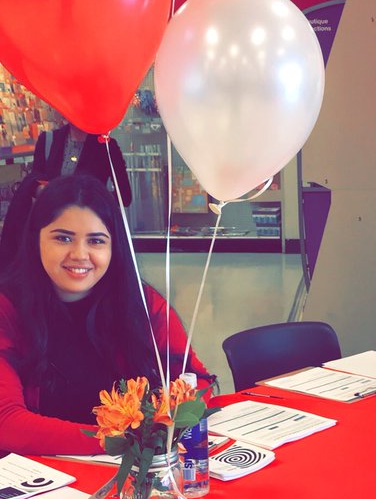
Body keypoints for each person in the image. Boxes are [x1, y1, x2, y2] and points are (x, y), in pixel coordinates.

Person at [0, 175, 215, 457]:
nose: (80, 254)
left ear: (114, 247)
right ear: (35, 239)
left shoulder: (143, 304)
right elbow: (7, 423)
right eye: (63, 238)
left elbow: (196, 383)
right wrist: (126, 440)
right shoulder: (7, 309)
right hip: (44, 474)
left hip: (134, 470)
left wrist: (165, 425)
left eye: (96, 241)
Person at [0, 123, 132, 269]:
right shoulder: (49, 139)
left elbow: (124, 196)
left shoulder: (106, 146)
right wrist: (40, 189)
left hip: (87, 230)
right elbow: (35, 177)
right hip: (52, 227)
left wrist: (93, 199)